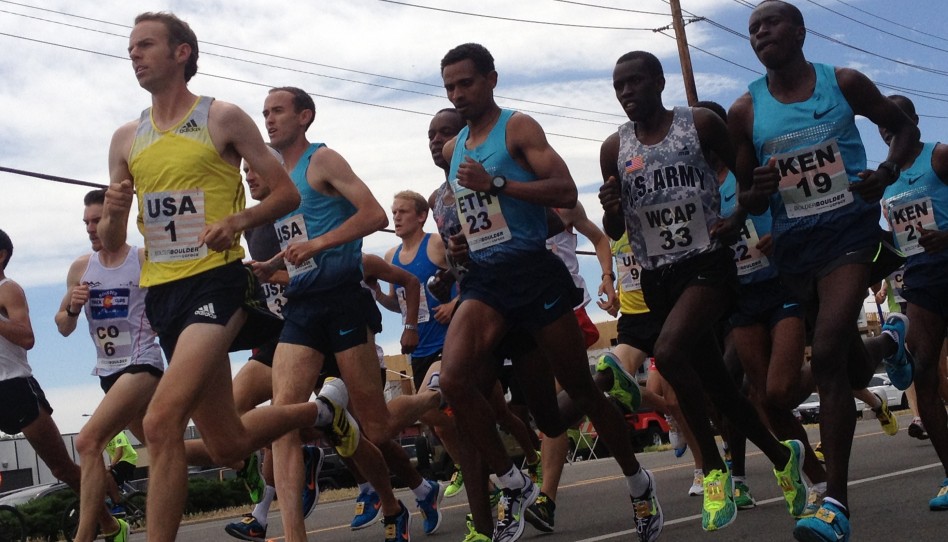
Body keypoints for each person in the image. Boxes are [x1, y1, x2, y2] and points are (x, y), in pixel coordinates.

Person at [99, 13, 340, 542]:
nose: (134, 55)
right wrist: (116, 208)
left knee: (162, 421)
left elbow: (285, 194)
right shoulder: (126, 138)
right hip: (162, 293)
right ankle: (319, 411)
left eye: (146, 45)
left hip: (217, 282)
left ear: (182, 53)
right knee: (228, 444)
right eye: (131, 47)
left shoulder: (222, 118)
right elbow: (114, 237)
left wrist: (236, 221)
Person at [438, 43, 662, 542]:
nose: (458, 94)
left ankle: (638, 482)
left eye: (466, 83)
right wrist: (464, 241)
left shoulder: (517, 128)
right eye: (450, 86)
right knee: (453, 383)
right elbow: (482, 219)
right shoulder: (455, 151)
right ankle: (513, 483)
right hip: (487, 280)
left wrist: (497, 181)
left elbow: (563, 192)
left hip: (533, 275)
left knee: (570, 397)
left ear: (491, 80)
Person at [728, 2, 921, 539]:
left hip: (849, 233)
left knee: (831, 350)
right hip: (795, 247)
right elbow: (744, 192)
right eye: (752, 29)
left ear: (800, 31)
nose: (759, 33)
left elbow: (902, 129)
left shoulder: (845, 82)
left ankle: (834, 502)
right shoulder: (745, 109)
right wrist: (756, 192)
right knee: (838, 368)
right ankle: (889, 345)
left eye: (769, 24)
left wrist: (884, 171)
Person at [599, 50, 809, 533]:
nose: (627, 92)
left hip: (708, 263)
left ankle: (714, 471)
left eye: (635, 81)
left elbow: (747, 185)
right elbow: (616, 228)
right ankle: (783, 458)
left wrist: (739, 215)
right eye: (619, 86)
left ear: (658, 81)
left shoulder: (699, 125)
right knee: (719, 387)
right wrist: (611, 208)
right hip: (658, 276)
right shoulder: (615, 147)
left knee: (670, 353)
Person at [256, 85, 441, 542]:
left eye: (278, 111)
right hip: (302, 305)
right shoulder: (275, 176)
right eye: (264, 113)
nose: (269, 119)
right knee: (284, 416)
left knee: (375, 428)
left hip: (342, 296)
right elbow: (299, 235)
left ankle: (437, 394)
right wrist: (272, 265)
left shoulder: (323, 160)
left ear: (305, 116)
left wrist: (318, 245)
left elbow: (375, 214)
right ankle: (293, 535)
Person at [0, 229, 126, 541]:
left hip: (16, 387)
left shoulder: (8, 289)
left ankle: (111, 524)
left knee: (63, 469)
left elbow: (27, 337)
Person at [55, 188, 164, 542]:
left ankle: (89, 536)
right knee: (164, 445)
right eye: (86, 221)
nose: (91, 227)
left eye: (97, 219)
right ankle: (241, 458)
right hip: (107, 371)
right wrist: (71, 306)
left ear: (115, 220)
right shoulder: (80, 268)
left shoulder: (143, 258)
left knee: (88, 441)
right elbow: (63, 327)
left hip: (142, 363)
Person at [879, 94, 948, 511]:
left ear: (914, 122)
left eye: (896, 123)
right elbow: (896, 238)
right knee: (924, 377)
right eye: (882, 127)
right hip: (922, 278)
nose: (889, 132)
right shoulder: (885, 179)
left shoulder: (938, 157)